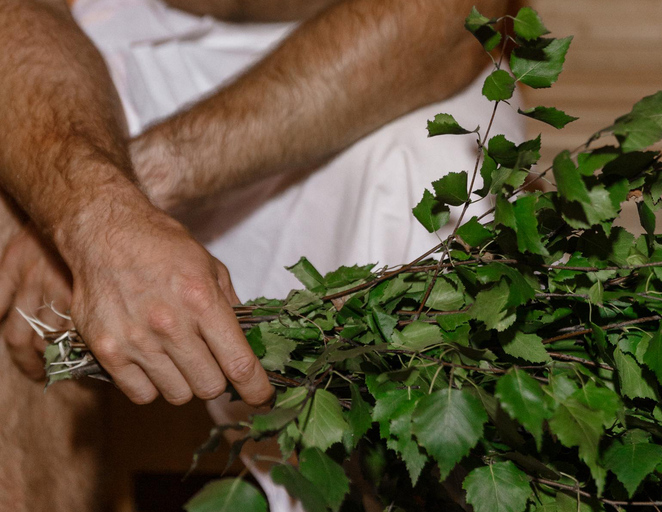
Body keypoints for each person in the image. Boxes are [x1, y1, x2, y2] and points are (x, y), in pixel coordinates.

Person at [0, 0, 521, 509]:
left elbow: (451, 13)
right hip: (107, 38)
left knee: (434, 198)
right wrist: (85, 210)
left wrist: (115, 202)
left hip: (369, 57)